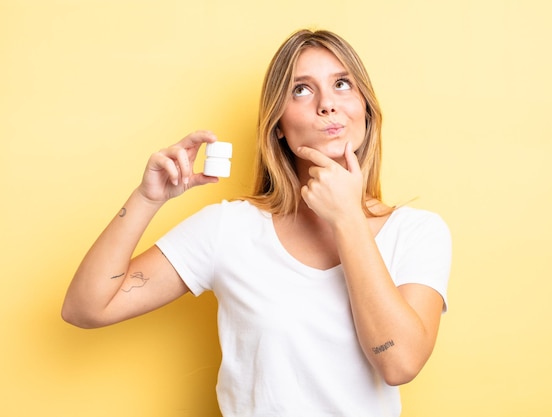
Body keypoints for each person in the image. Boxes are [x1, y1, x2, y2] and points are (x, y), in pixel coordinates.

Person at [62, 28, 452, 417]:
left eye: (342, 84)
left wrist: (347, 216)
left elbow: (399, 364)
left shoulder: (417, 232)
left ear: (365, 107)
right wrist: (147, 198)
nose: (327, 104)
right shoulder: (228, 229)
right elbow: (86, 308)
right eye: (301, 89)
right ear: (278, 125)